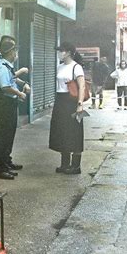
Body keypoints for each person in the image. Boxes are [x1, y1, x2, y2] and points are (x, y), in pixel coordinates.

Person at [0, 36, 31, 180]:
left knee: (8, 134)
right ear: (10, 52)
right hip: (3, 103)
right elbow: (5, 86)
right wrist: (20, 93)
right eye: (15, 51)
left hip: (7, 103)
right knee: (2, 136)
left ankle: (5, 163)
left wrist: (23, 84)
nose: (16, 54)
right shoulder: (1, 66)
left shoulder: (5, 64)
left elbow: (12, 78)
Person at [49, 41, 85, 175]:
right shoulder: (60, 66)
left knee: (75, 132)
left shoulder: (77, 67)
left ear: (69, 52)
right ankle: (65, 164)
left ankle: (76, 166)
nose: (59, 53)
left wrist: (80, 104)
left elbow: (82, 86)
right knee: (62, 131)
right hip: (60, 100)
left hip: (72, 101)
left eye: (61, 50)